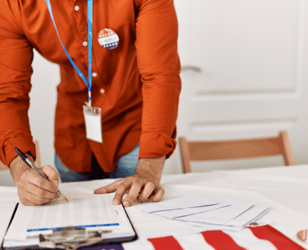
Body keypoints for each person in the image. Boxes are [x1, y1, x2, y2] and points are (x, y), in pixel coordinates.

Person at [0, 0, 181, 206]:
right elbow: (7, 95)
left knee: (141, 219)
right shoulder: (12, 4)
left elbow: (161, 77)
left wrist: (149, 169)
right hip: (74, 136)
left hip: (134, 130)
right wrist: (21, 169)